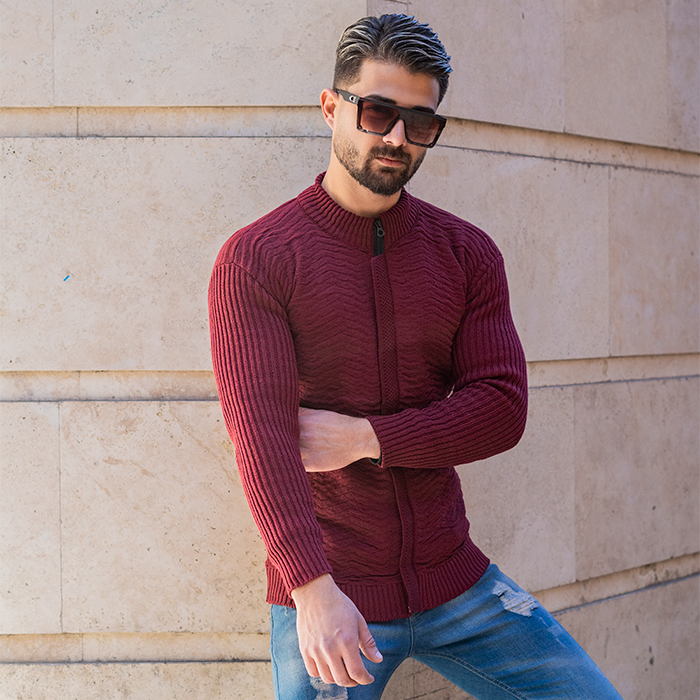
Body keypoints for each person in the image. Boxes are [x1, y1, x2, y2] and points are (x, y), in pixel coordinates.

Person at [209, 13, 623, 700]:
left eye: (420, 121)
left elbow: (501, 410)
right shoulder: (258, 260)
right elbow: (264, 444)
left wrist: (366, 438)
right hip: (330, 592)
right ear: (331, 108)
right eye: (377, 112)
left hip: (458, 582)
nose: (397, 137)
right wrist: (312, 591)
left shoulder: (466, 253)